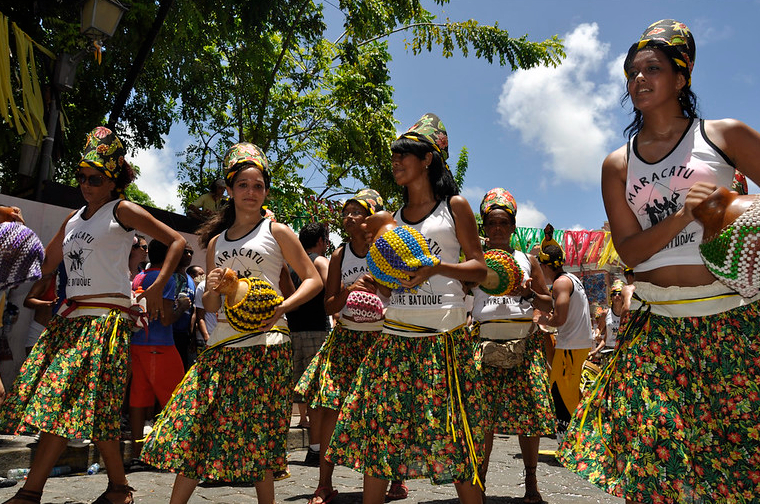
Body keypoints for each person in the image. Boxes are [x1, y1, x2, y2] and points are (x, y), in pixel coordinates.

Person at [558, 19, 760, 504]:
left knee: (736, 464)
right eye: (632, 72)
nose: (639, 79)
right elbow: (628, 250)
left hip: (729, 322)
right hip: (655, 330)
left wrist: (741, 215)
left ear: (681, 78)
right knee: (650, 462)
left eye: (653, 68)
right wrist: (683, 216)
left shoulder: (723, 135)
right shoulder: (618, 163)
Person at [0, 126, 186, 504]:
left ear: (113, 181)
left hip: (106, 321)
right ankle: (118, 489)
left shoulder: (122, 210)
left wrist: (154, 287)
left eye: (95, 178)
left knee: (66, 403)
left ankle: (31, 491)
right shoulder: (72, 219)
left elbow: (177, 241)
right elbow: (46, 262)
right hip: (70, 322)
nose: (86, 184)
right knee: (90, 408)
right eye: (82, 176)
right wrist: (12, 231)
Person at [140, 142, 322, 504]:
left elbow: (312, 280)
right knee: (196, 427)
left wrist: (280, 307)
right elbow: (209, 303)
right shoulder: (216, 242)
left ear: (266, 190)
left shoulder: (278, 231)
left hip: (267, 344)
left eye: (258, 185)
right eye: (243, 185)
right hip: (223, 343)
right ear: (230, 190)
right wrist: (214, 287)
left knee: (259, 436)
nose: (251, 192)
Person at [327, 113, 488, 504]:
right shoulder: (390, 221)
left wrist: (436, 266)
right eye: (394, 156)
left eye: (405, 156)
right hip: (394, 340)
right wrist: (373, 283)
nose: (396, 162)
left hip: (444, 343)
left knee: (456, 443)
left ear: (428, 159)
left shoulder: (454, 207)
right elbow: (389, 279)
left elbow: (479, 268)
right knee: (380, 443)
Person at [295, 189, 402, 504]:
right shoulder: (340, 254)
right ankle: (324, 484)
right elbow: (329, 306)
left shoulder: (386, 250)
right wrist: (350, 288)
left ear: (371, 217)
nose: (348, 217)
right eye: (346, 212)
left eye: (356, 211)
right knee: (329, 407)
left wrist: (380, 282)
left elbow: (398, 295)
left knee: (386, 412)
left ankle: (394, 478)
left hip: (380, 341)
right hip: (345, 339)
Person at [470, 188, 554, 503]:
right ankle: (479, 483)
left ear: (513, 227)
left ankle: (531, 480)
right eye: (491, 223)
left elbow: (550, 305)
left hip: (524, 344)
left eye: (504, 223)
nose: (497, 229)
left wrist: (529, 294)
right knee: (484, 418)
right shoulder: (474, 262)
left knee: (529, 417)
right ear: (484, 228)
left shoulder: (527, 260)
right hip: (484, 343)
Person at [126, 239, 188, 467]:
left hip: (138, 343)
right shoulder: (165, 277)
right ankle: (171, 452)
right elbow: (165, 317)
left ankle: (137, 454)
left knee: (138, 399)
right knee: (175, 399)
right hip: (159, 344)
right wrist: (182, 306)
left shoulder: (140, 276)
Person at [532, 232, 593, 444]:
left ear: (546, 266)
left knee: (562, 395)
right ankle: (576, 441)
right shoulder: (571, 279)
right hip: (576, 345)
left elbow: (559, 318)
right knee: (569, 394)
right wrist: (530, 296)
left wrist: (542, 320)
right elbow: (553, 305)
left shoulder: (560, 284)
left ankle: (570, 443)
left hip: (571, 348)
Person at [289, 222, 331, 441]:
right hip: (316, 330)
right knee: (317, 388)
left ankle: (302, 424)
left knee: (295, 385)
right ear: (321, 241)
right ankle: (317, 443)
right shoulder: (320, 261)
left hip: (292, 330)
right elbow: (328, 287)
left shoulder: (290, 264)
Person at [172, 248, 196, 371]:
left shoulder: (191, 281)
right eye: (185, 251)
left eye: (191, 253)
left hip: (183, 336)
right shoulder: (168, 275)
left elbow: (193, 311)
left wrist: (192, 336)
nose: (188, 255)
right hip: (167, 333)